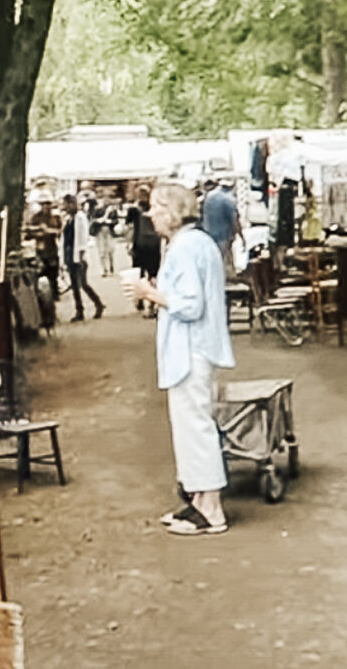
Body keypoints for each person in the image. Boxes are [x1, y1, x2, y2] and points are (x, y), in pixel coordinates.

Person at [128, 182, 235, 536]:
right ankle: (199, 499)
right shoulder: (197, 243)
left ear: (173, 212)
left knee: (195, 427)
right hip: (195, 347)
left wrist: (150, 293)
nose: (151, 215)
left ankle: (212, 508)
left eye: (157, 208)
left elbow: (190, 306)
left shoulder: (185, 247)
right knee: (192, 426)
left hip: (189, 349)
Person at [61, 194, 105, 321]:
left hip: (78, 255)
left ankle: (96, 304)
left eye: (67, 204)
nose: (66, 207)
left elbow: (82, 237)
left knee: (82, 283)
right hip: (70, 253)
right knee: (76, 284)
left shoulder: (80, 218)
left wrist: (80, 256)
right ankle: (81, 309)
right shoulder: (69, 218)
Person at [127, 185, 163, 316]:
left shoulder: (144, 209)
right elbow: (130, 227)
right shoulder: (135, 210)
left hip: (150, 245)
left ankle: (151, 303)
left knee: (151, 275)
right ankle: (142, 300)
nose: (141, 197)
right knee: (141, 275)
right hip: (143, 245)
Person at [201, 179, 241, 272]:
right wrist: (240, 235)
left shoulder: (209, 197)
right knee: (221, 258)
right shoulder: (229, 198)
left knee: (213, 257)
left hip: (209, 232)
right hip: (223, 234)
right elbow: (234, 219)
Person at [89, 196, 118, 276]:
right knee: (101, 251)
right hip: (100, 232)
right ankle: (104, 269)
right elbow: (93, 220)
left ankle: (111, 267)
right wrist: (101, 219)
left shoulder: (113, 211)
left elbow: (116, 220)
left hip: (109, 232)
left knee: (110, 251)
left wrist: (111, 221)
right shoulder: (97, 210)